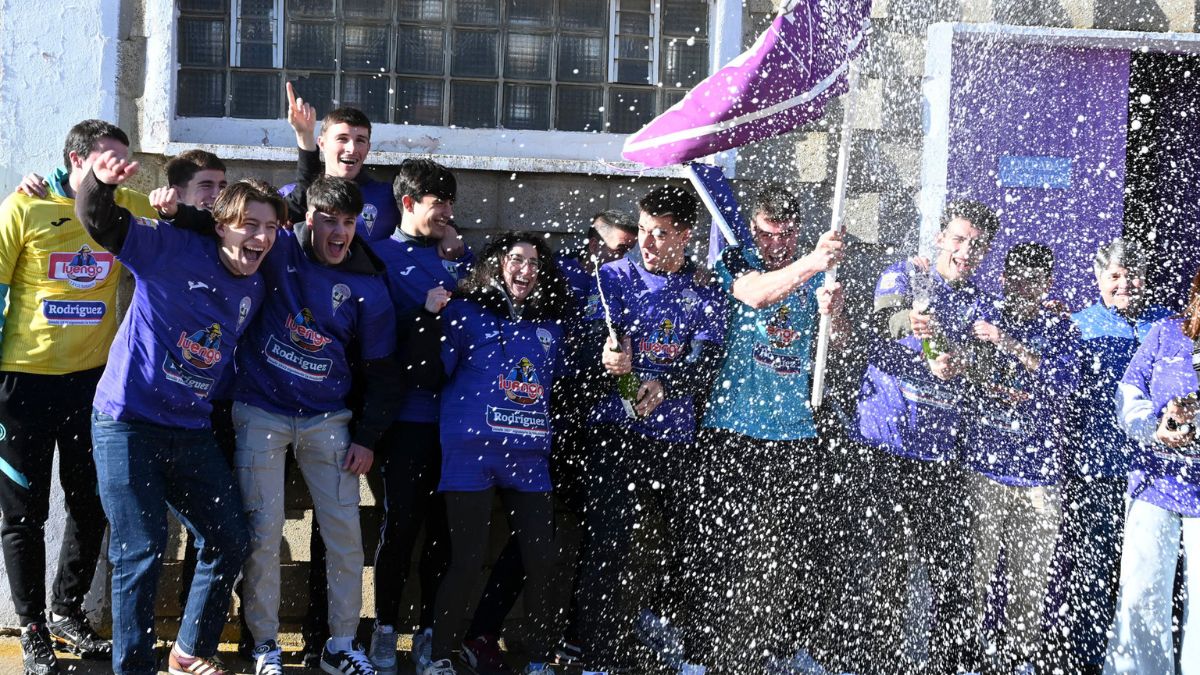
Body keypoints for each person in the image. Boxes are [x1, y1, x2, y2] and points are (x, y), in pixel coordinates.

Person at [157, 175, 401, 675]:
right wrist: (175, 213)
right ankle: (264, 643)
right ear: (307, 219)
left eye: (349, 223)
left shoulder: (370, 288)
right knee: (263, 533)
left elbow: (383, 374)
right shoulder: (280, 245)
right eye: (328, 220)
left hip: (328, 420)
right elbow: (229, 224)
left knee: (345, 537)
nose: (339, 232)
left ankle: (340, 645)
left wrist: (368, 438)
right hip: (259, 411)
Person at [77, 153, 280, 675]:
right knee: (141, 552)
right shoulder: (170, 247)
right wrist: (100, 182)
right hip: (128, 423)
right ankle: (134, 668)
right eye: (249, 226)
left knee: (230, 538)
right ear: (222, 227)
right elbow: (100, 221)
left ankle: (189, 651)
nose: (260, 238)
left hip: (189, 430)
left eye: (270, 228)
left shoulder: (255, 286)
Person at [0, 119, 155, 675]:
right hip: (21, 384)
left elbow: (183, 222)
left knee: (91, 503)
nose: (119, 169)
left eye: (125, 160)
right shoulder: (24, 205)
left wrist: (171, 200)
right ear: (76, 158)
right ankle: (33, 628)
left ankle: (67, 611)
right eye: (107, 160)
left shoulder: (126, 203)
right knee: (25, 514)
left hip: (92, 383)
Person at [456, 210, 639, 673]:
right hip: (540, 427)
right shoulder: (564, 278)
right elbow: (495, 280)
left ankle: (574, 637)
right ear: (590, 244)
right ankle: (482, 631)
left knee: (592, 538)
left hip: (596, 429)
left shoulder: (627, 283)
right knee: (532, 541)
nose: (619, 255)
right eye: (612, 246)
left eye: (626, 247)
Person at [573, 186, 727, 674]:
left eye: (660, 234)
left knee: (693, 544)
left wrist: (667, 381)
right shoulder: (613, 277)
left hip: (677, 437)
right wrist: (605, 359)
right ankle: (595, 654)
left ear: (685, 234)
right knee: (607, 542)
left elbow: (708, 364)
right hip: (617, 433)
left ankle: (689, 653)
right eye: (643, 230)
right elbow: (585, 348)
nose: (647, 242)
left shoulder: (703, 289)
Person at [406, 232, 571, 675]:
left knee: (542, 560)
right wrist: (425, 318)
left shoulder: (551, 325)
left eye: (535, 264)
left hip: (530, 456)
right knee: (466, 559)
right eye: (517, 260)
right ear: (497, 263)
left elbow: (559, 390)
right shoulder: (463, 313)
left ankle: (538, 661)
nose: (526, 270)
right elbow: (428, 373)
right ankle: (440, 656)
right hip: (470, 454)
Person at [697, 185, 847, 671]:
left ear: (796, 231)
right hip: (735, 427)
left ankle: (769, 649)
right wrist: (811, 261)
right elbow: (757, 294)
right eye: (766, 235)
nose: (774, 245)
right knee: (726, 547)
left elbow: (837, 347)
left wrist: (834, 312)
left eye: (784, 237)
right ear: (754, 228)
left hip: (793, 431)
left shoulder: (814, 273)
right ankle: (713, 652)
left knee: (782, 551)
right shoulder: (736, 260)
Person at [856, 198, 999, 673]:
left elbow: (990, 368)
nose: (964, 251)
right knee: (883, 570)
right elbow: (883, 319)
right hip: (886, 446)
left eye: (975, 246)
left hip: (941, 457)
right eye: (958, 239)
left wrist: (964, 363)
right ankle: (876, 662)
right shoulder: (908, 274)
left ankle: (949, 664)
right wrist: (912, 328)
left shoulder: (981, 302)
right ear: (940, 237)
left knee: (954, 574)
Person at [1043, 238, 1170, 674]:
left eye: (1131, 274)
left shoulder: (1167, 327)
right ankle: (1086, 663)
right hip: (1099, 472)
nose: (1124, 283)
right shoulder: (1078, 325)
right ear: (1099, 280)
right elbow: (1053, 388)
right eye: (1114, 275)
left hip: (1159, 480)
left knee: (1152, 581)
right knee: (1095, 577)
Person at [369, 157, 471, 672]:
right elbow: (374, 335)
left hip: (457, 421)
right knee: (400, 525)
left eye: (452, 203)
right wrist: (423, 313)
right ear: (407, 203)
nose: (448, 213)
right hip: (406, 418)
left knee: (443, 531)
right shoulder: (378, 256)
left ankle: (431, 631)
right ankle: (385, 627)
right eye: (439, 204)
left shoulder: (461, 258)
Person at [958, 243, 1079, 671]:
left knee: (1031, 579)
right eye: (1018, 277)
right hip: (985, 467)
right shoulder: (981, 313)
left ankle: (1022, 658)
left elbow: (1063, 380)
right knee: (974, 571)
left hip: (1039, 474)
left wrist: (1007, 343)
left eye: (1036, 280)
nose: (1026, 287)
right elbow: (944, 318)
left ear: (1048, 284)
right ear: (1004, 278)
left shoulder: (1059, 326)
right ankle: (969, 653)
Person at [1105, 269, 1200, 673]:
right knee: (1141, 595)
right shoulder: (1166, 333)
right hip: (1154, 483)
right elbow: (1130, 390)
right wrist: (1155, 425)